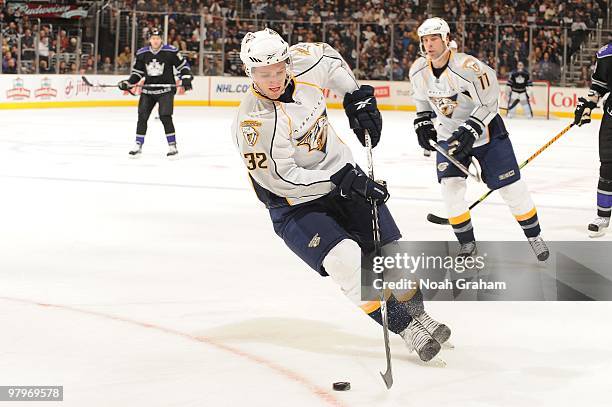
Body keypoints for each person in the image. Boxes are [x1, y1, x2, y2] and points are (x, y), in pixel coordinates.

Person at [232, 28, 451, 362]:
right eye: (264, 75)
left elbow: (331, 60)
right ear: (250, 72)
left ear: (288, 62)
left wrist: (354, 97)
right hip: (295, 205)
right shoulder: (253, 123)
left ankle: (421, 316)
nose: (274, 80)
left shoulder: (306, 61)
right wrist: (341, 180)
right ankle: (407, 329)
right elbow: (283, 180)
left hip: (343, 174)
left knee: (391, 253)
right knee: (346, 261)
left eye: (278, 70)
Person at [409, 18, 549, 260]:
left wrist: (471, 128)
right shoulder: (418, 70)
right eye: (425, 40)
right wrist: (422, 120)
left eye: (434, 39)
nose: (429, 44)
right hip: (449, 135)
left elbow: (490, 103)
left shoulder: (470, 67)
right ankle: (467, 244)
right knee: (450, 189)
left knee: (512, 189)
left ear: (446, 38)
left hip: (486, 133)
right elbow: (421, 99)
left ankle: (534, 236)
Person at [119, 28, 193, 158]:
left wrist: (186, 78)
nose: (155, 41)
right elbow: (137, 72)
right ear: (149, 39)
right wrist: (128, 83)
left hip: (166, 90)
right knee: (142, 116)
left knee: (165, 116)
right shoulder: (142, 53)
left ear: (161, 39)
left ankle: (172, 146)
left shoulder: (171, 51)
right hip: (148, 90)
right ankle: (138, 145)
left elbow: (183, 67)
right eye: (153, 38)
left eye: (157, 38)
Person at [574, 39, 612, 237]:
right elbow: (599, 86)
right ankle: (603, 215)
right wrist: (588, 105)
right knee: (607, 167)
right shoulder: (606, 53)